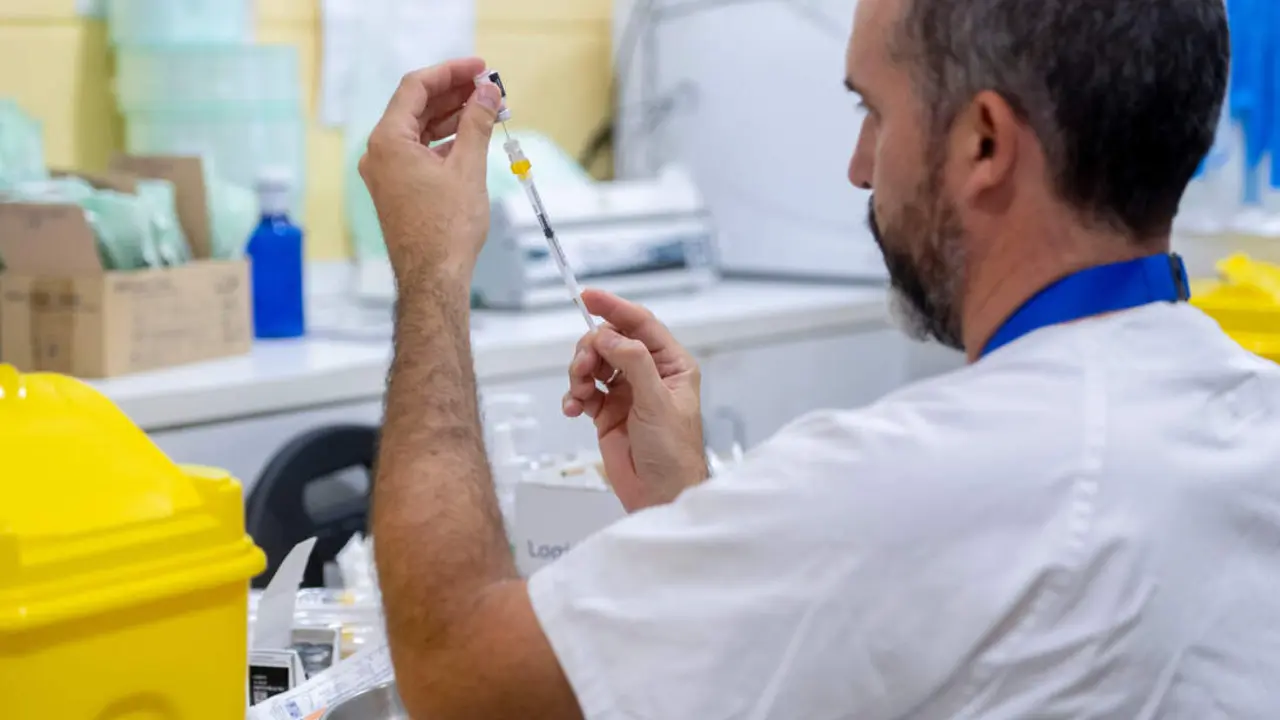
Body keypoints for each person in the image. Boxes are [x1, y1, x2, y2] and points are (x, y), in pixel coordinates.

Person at [361, 0, 1280, 717]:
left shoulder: (911, 480)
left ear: (985, 143)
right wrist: (692, 510)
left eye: (873, 110)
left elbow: (461, 675)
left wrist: (431, 271)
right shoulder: (1251, 418)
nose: (858, 165)